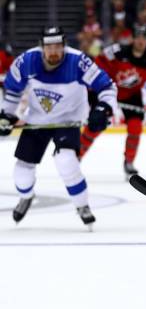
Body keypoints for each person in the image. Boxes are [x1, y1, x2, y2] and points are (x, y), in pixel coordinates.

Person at [0, 26, 118, 229]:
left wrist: (102, 108)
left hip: (69, 119)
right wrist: (6, 116)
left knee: (66, 161)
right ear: (41, 47)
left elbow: (107, 86)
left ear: (64, 46)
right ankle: (26, 196)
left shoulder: (77, 62)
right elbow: (12, 91)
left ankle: (82, 206)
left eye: (58, 46)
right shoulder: (27, 61)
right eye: (49, 47)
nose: (54, 52)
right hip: (37, 120)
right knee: (22, 171)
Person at [79, 25, 146, 177]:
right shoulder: (117, 51)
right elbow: (98, 64)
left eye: (144, 38)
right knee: (96, 124)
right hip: (107, 91)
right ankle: (76, 157)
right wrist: (97, 88)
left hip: (131, 95)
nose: (140, 41)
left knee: (135, 127)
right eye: (137, 37)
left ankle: (129, 162)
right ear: (132, 38)